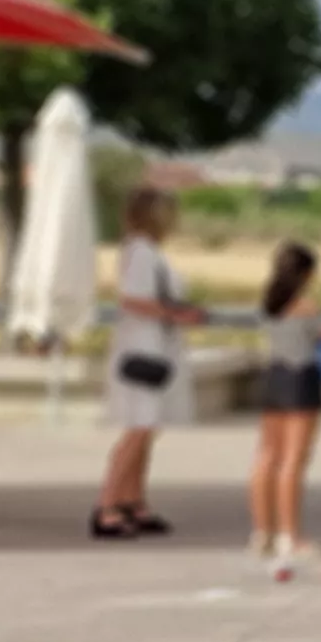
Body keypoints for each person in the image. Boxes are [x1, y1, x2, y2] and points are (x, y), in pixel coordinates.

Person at [91, 183, 206, 539]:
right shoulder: (141, 252)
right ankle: (108, 503)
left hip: (153, 344)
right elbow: (133, 300)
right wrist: (178, 314)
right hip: (144, 346)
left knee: (147, 426)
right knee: (139, 426)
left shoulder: (144, 251)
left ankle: (132, 500)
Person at [248, 241, 321, 577]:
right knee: (294, 460)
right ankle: (290, 535)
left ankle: (262, 532)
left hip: (273, 376)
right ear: (307, 273)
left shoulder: (268, 305)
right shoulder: (307, 308)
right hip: (301, 379)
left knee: (266, 456)